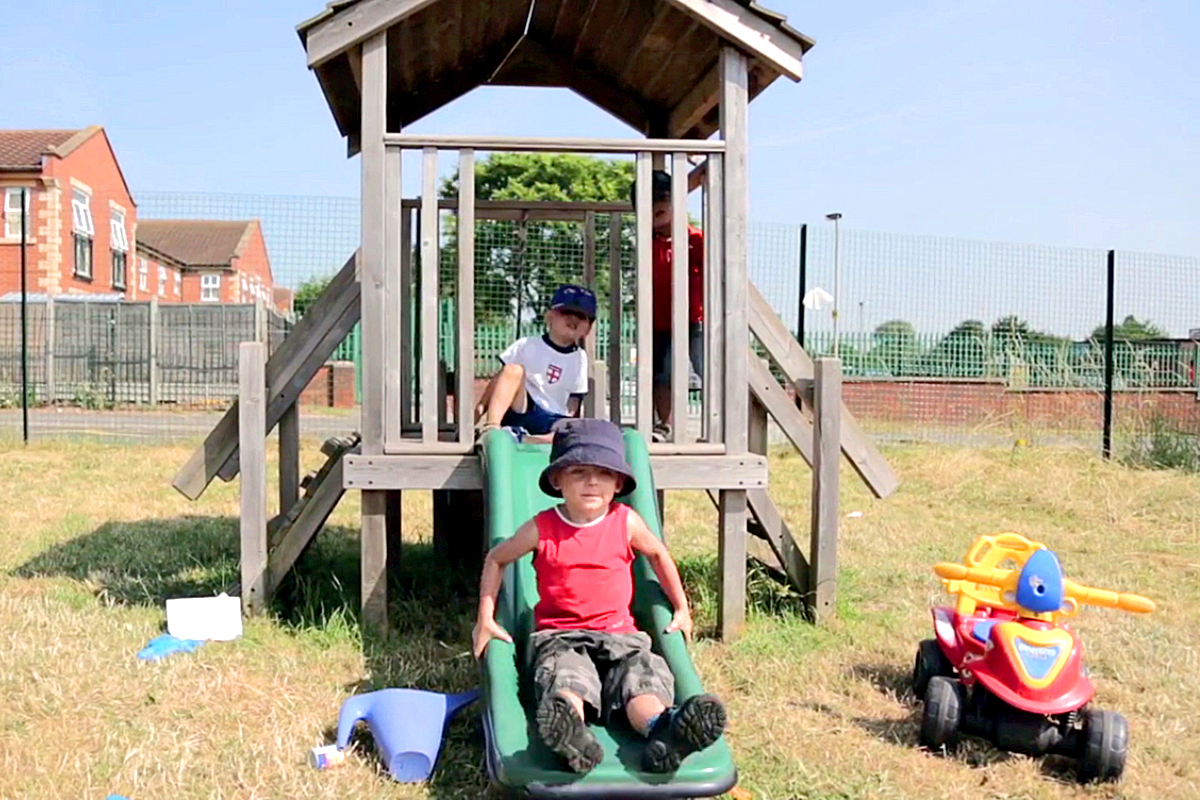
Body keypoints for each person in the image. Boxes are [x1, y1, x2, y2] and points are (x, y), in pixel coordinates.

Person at [471, 418, 727, 774]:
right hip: (562, 639)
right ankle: (572, 735)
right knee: (567, 678)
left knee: (641, 680)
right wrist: (485, 618)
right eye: (578, 472)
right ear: (558, 480)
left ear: (618, 482)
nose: (592, 482)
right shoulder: (542, 527)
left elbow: (658, 554)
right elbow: (497, 558)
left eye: (603, 473)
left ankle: (665, 732)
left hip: (622, 635)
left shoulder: (626, 521)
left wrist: (682, 607)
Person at [632, 170, 705, 440]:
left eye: (663, 201)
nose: (656, 208)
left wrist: (698, 175)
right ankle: (667, 425)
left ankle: (704, 425)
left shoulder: (696, 240)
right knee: (660, 375)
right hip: (657, 320)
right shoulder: (646, 243)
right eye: (649, 204)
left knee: (698, 371)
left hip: (693, 319)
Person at [476, 284, 596, 442]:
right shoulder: (527, 345)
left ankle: (531, 439)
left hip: (554, 417)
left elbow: (574, 401)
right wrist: (481, 408)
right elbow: (502, 379)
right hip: (524, 407)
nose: (572, 318)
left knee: (575, 431)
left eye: (581, 316)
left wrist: (570, 425)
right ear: (550, 316)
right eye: (566, 312)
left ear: (588, 328)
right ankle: (492, 428)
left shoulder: (580, 358)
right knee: (513, 370)